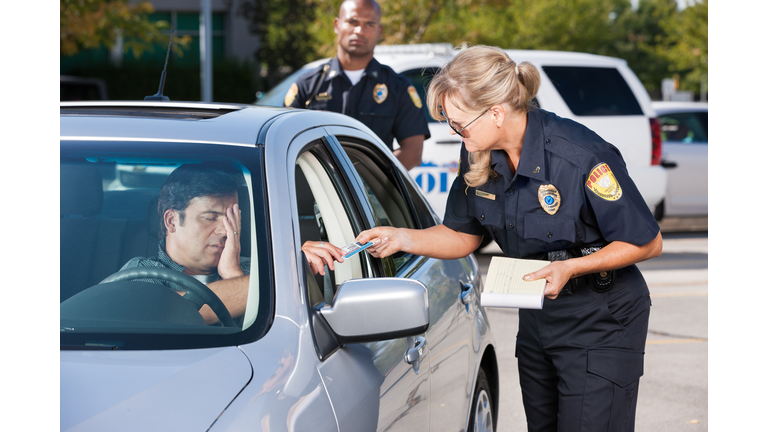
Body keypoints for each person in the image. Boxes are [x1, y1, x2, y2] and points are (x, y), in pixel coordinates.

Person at [356, 45, 663, 432]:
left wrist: (572, 266)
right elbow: (461, 235)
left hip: (602, 321)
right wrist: (401, 237)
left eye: (459, 124)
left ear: (497, 112)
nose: (455, 134)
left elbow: (647, 241)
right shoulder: (481, 153)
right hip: (539, 319)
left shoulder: (580, 156)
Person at [122, 163, 345, 324]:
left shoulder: (257, 270)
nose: (224, 230)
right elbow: (171, 314)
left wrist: (233, 272)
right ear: (172, 221)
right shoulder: (141, 273)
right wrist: (289, 270)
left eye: (231, 218)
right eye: (210, 217)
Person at [283, 0, 430, 170]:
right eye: (352, 22)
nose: (360, 31)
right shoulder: (308, 86)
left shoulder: (398, 87)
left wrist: (368, 180)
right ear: (337, 25)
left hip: (371, 195)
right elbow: (286, 143)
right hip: (315, 191)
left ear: (379, 31)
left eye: (369, 24)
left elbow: (413, 153)